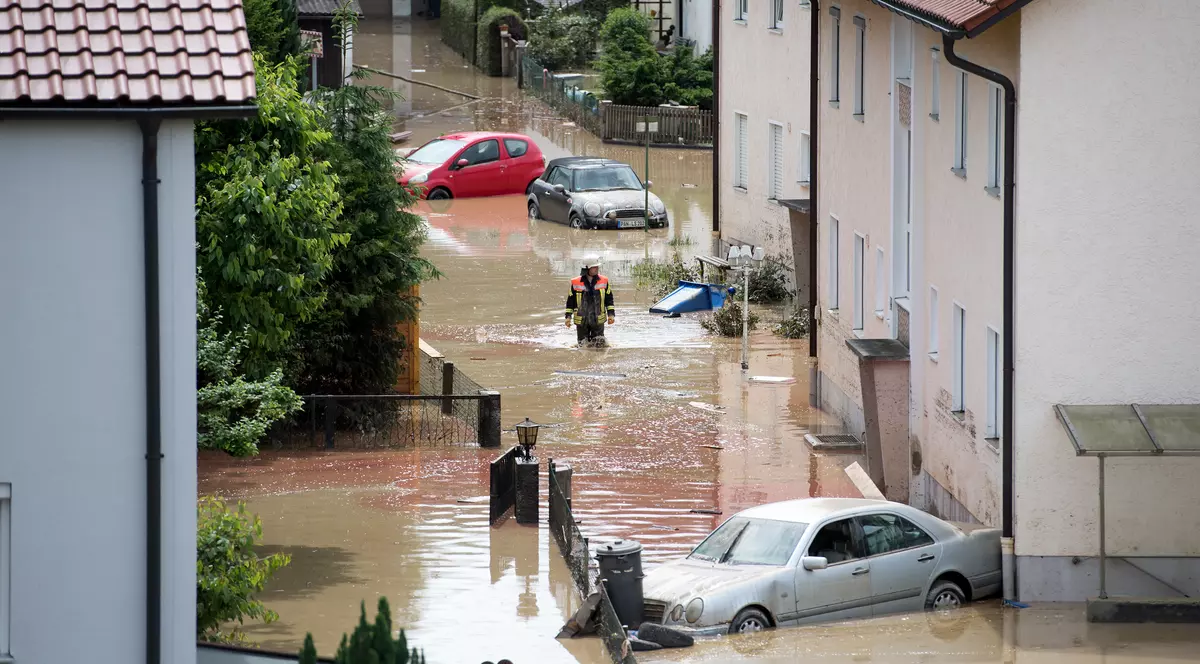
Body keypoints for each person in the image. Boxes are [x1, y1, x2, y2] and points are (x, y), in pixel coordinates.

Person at [566, 259, 615, 346]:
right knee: (582, 345)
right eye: (594, 267)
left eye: (597, 266)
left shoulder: (604, 281)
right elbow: (570, 302)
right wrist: (568, 317)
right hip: (582, 320)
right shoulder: (575, 282)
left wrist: (611, 315)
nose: (597, 268)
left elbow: (609, 299)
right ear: (587, 268)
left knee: (599, 345)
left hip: (598, 319)